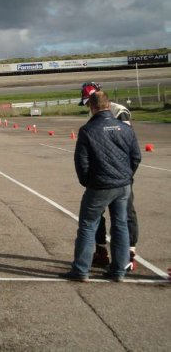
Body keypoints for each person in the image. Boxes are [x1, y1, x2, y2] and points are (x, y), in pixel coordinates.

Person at [61, 91, 141, 282]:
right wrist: (126, 176)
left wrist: (87, 181)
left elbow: (81, 162)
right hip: (123, 185)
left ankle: (81, 270)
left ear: (92, 107)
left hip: (100, 185)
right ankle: (119, 271)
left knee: (88, 226)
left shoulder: (88, 130)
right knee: (120, 225)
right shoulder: (126, 128)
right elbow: (136, 157)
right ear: (108, 105)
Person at [80, 82, 139, 271]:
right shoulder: (94, 114)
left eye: (88, 103)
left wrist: (126, 174)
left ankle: (128, 254)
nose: (88, 107)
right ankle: (101, 251)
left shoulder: (120, 112)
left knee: (124, 216)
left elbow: (127, 145)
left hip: (118, 175)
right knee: (102, 218)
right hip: (109, 176)